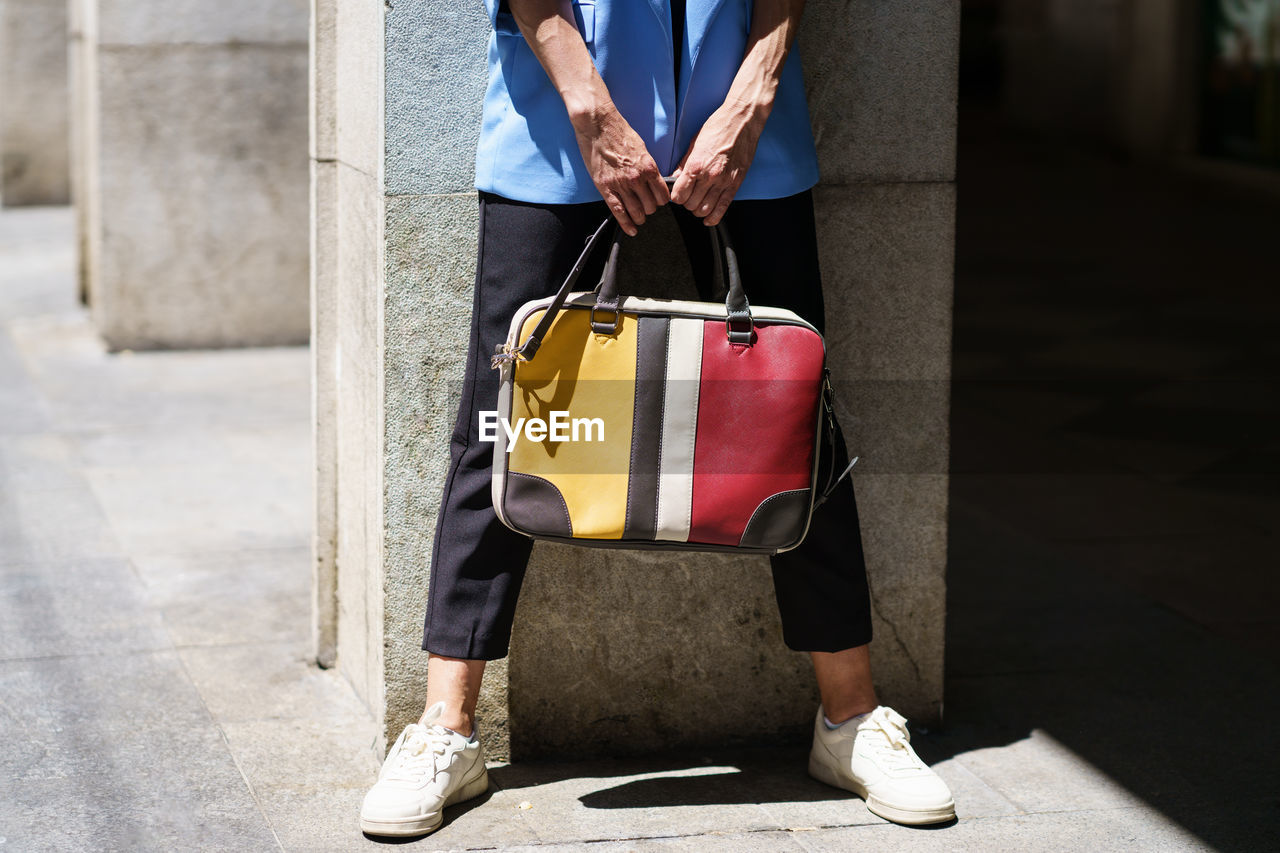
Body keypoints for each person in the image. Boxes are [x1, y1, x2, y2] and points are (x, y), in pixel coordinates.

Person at [359, 0, 956, 837]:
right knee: (509, 411)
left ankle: (850, 718)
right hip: (561, 115)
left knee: (792, 409)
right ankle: (445, 728)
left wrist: (753, 95)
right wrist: (591, 107)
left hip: (742, 108)